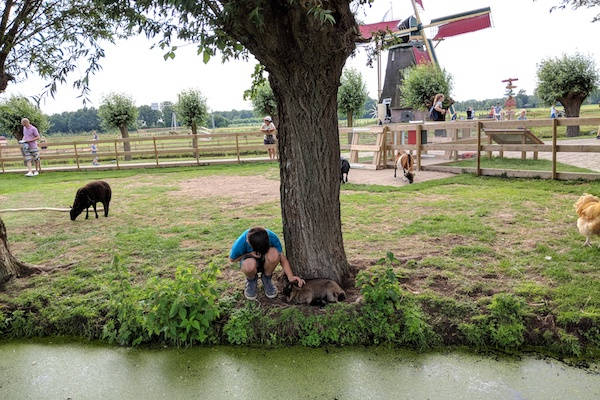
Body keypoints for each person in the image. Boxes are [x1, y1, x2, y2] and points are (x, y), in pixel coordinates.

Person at [229, 227, 304, 300]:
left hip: (266, 262)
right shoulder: (243, 240)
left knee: (274, 253)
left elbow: (282, 258)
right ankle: (251, 281)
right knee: (248, 265)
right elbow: (232, 259)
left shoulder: (272, 237)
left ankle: (266, 278)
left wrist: (290, 277)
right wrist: (249, 254)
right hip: (250, 262)